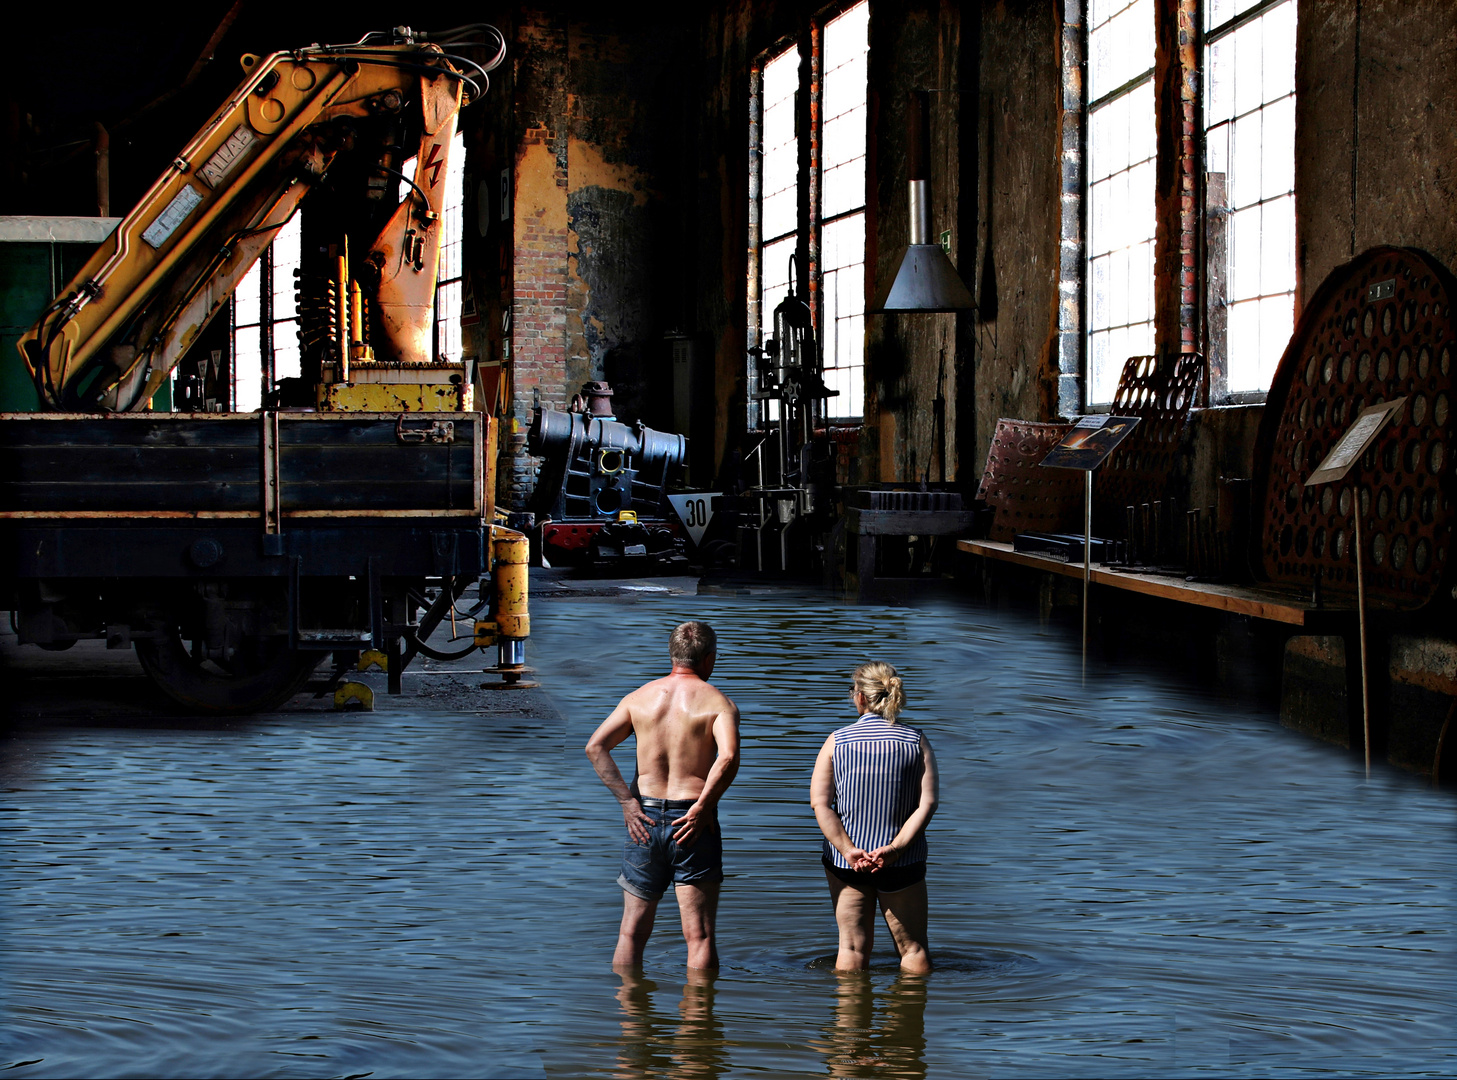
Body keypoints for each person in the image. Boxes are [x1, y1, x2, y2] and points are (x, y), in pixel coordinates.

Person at [585, 620, 741, 970]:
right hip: (693, 823)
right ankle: (699, 1022)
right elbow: (728, 756)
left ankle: (630, 1019)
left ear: (672, 655)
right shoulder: (719, 703)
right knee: (698, 935)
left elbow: (596, 747)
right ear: (710, 659)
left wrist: (627, 802)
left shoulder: (638, 698)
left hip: (644, 819)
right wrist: (703, 807)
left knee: (630, 933)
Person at [810, 662, 938, 973]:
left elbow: (821, 804)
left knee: (851, 948)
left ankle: (850, 1020)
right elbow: (928, 803)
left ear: (862, 698)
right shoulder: (915, 741)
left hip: (847, 863)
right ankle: (908, 1019)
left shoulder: (836, 741)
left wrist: (847, 850)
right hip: (902, 861)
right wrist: (895, 849)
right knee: (913, 949)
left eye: (852, 691)